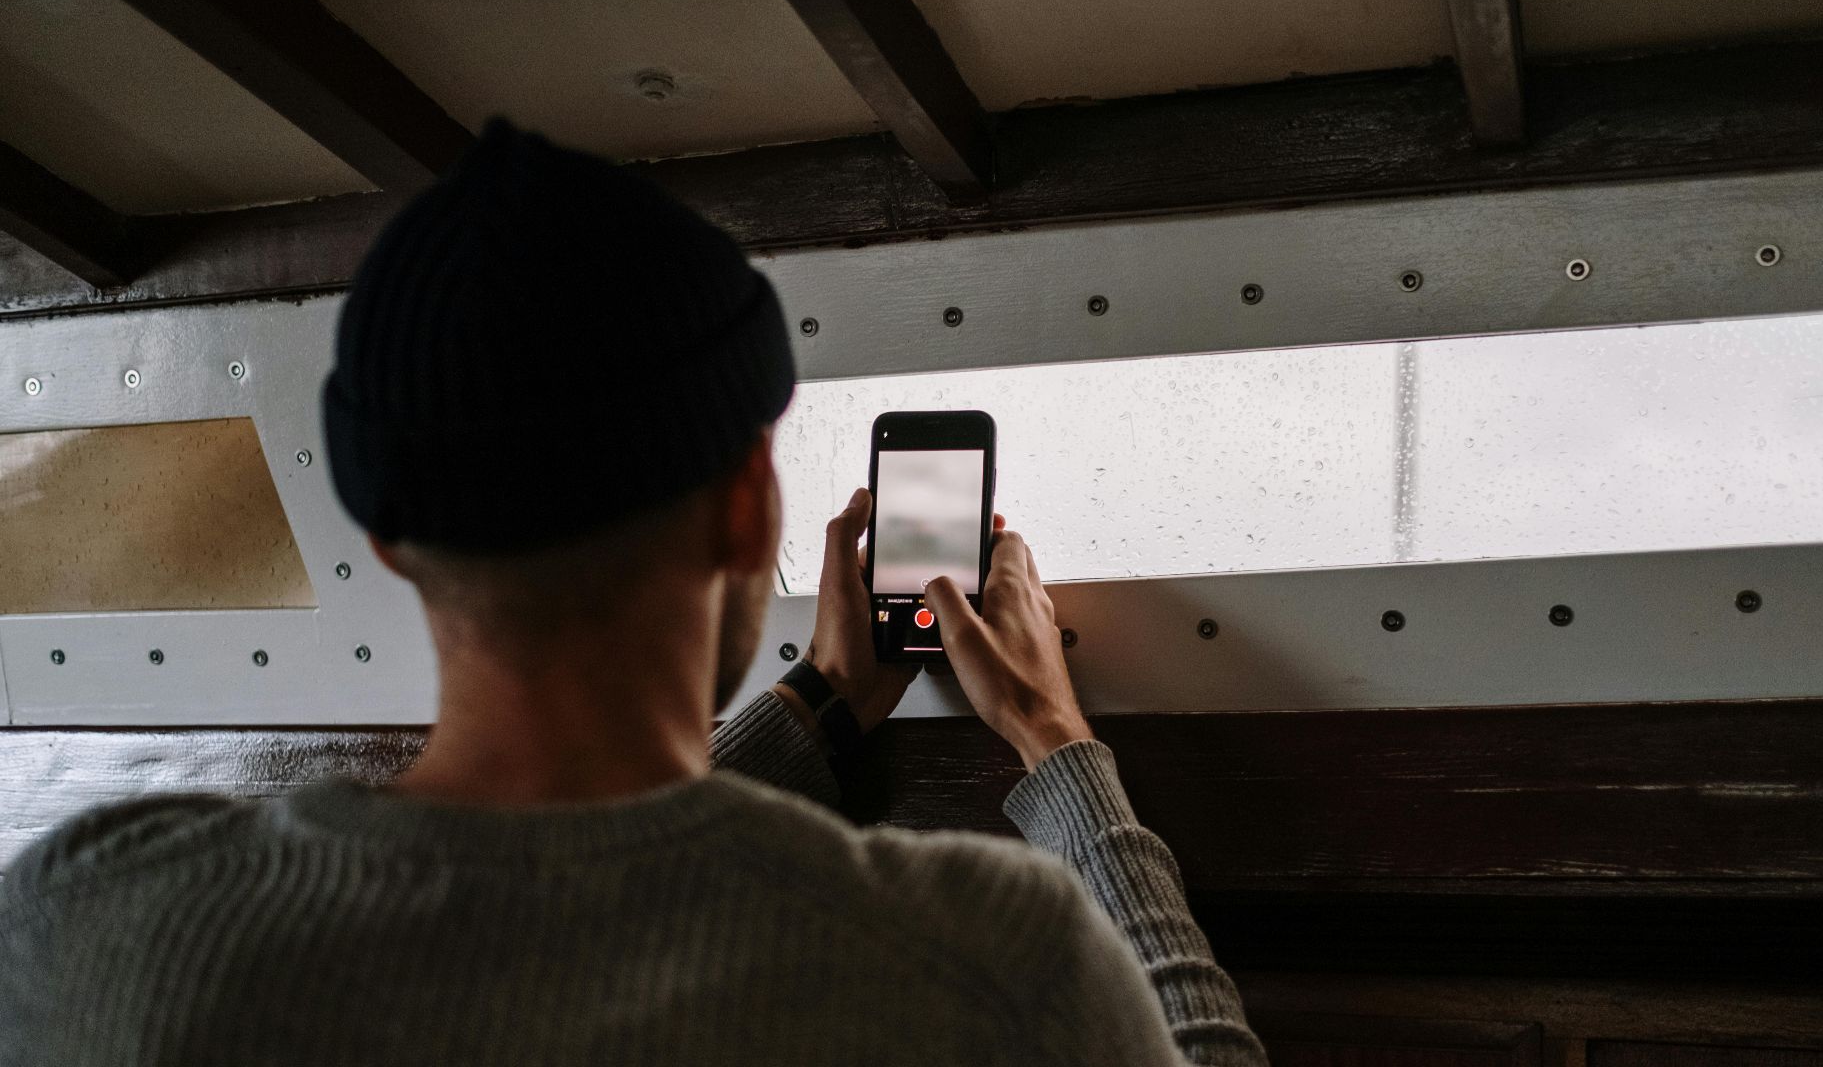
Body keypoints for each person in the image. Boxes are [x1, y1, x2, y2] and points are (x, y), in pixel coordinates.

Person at [0, 120, 1265, 1067]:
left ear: (386, 534)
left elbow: (566, 888)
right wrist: (1055, 740)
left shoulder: (89, 925)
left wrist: (825, 703)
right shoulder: (985, 963)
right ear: (747, 507)